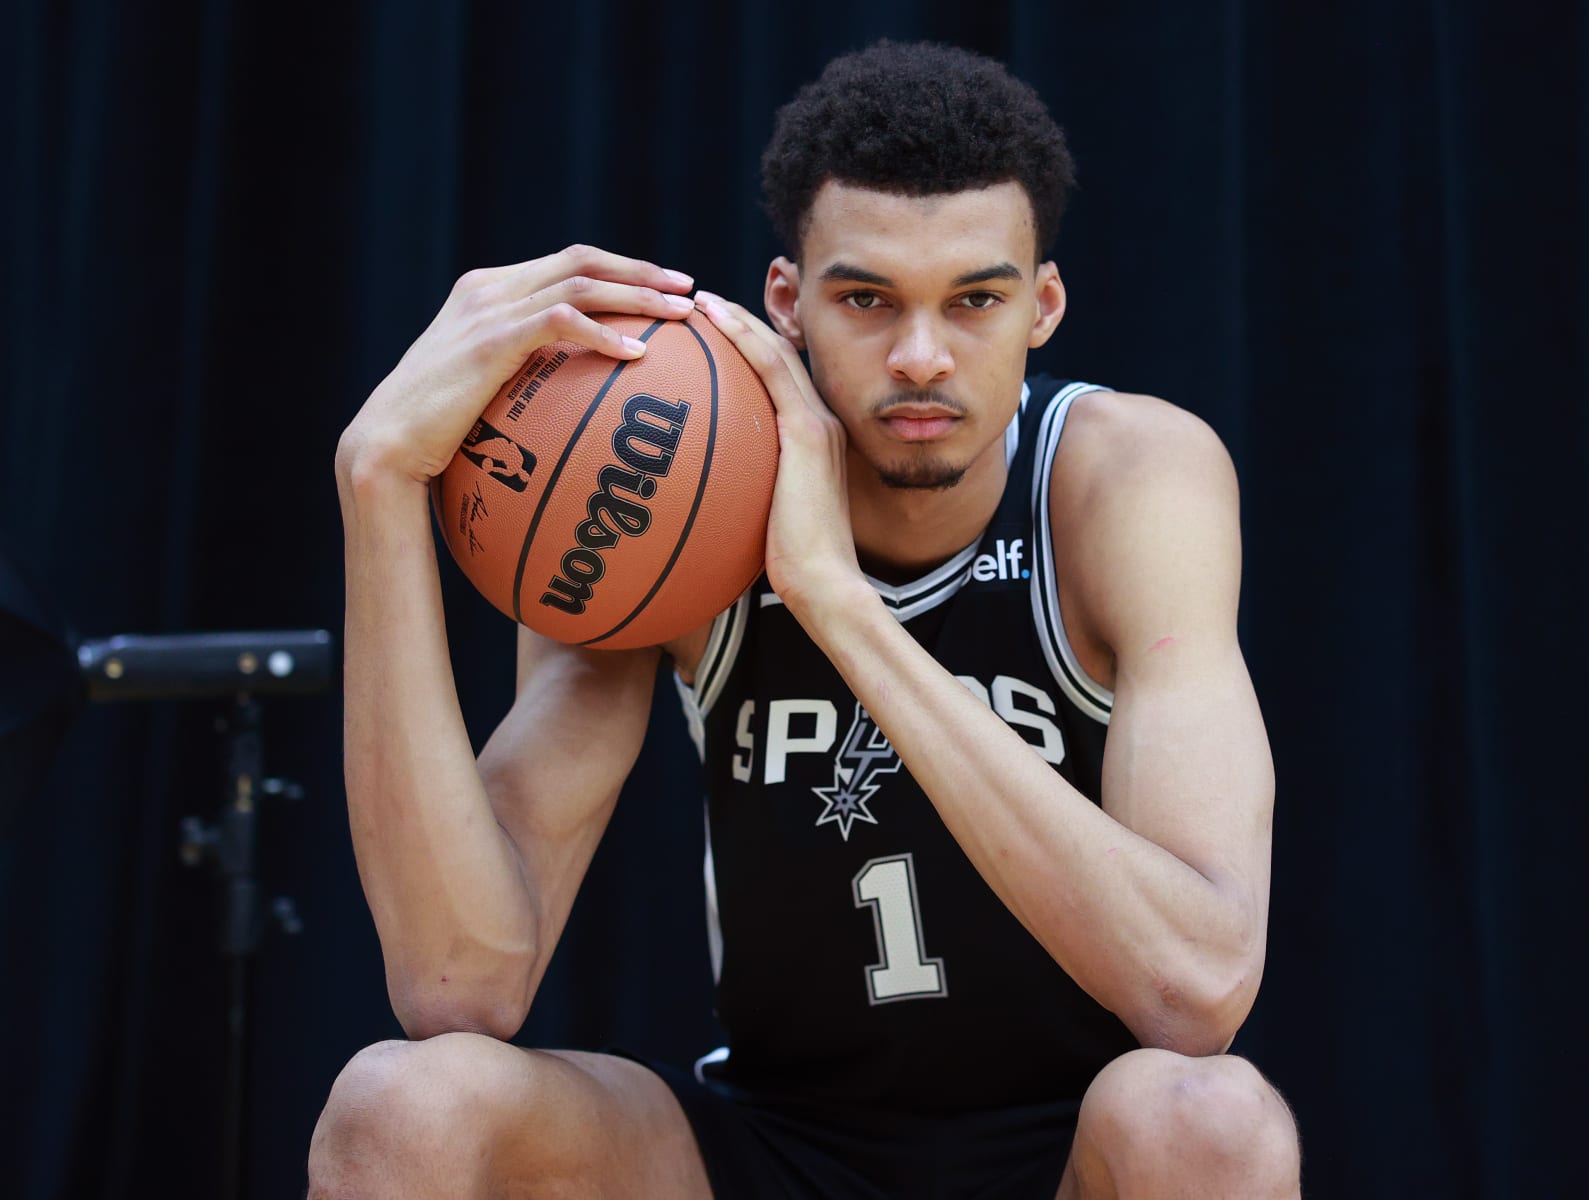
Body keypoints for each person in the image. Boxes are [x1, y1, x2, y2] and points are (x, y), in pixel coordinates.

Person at [310, 40, 1300, 1199]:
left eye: (974, 300)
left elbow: (1197, 987)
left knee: (1208, 1117)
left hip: (1066, 1155)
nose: (921, 356)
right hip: (771, 1144)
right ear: (787, 302)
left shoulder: (1125, 481)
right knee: (403, 1104)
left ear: (1043, 307)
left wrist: (834, 602)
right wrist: (376, 484)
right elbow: (456, 982)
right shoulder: (667, 497)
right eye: (867, 298)